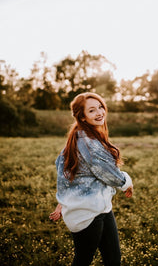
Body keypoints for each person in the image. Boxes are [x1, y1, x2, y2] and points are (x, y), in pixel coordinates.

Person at [49, 92, 133, 266]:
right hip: (87, 213)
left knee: (113, 259)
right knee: (83, 260)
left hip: (101, 208)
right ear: (83, 117)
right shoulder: (88, 142)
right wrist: (126, 183)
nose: (99, 112)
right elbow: (109, 174)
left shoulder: (82, 136)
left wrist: (62, 201)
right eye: (92, 110)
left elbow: (66, 173)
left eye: (101, 107)